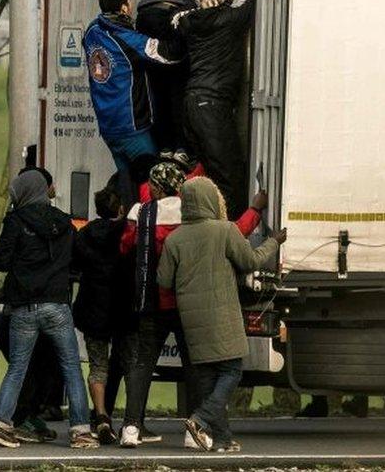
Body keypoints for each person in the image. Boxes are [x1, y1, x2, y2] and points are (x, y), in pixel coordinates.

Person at [118, 161, 266, 448]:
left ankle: (131, 427)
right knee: (197, 369)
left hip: (152, 302)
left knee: (142, 365)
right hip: (186, 306)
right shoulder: (190, 215)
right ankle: (194, 431)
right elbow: (234, 232)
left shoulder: (141, 212)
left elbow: (126, 246)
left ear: (155, 187)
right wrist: (255, 211)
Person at [157, 177, 285, 452]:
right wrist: (273, 242)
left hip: (191, 319)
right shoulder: (224, 231)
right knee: (231, 371)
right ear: (210, 200)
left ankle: (223, 439)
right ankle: (200, 419)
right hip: (222, 312)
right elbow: (250, 261)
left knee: (206, 377)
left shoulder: (174, 239)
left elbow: (164, 280)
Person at [0, 171, 98, 449]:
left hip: (23, 306)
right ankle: (81, 431)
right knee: (72, 367)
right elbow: (79, 260)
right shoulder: (65, 222)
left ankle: (1, 424)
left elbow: (0, 261)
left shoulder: (15, 221)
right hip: (58, 305)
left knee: (17, 368)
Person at [136, 0, 254, 158]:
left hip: (144, 16)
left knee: (158, 85)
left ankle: (164, 146)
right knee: (179, 82)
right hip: (169, 15)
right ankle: (182, 147)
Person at [172, 0, 255, 220]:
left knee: (206, 171)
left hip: (193, 103)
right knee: (229, 175)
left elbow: (179, 16)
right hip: (212, 105)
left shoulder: (188, 21)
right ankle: (232, 232)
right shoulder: (229, 20)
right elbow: (261, 0)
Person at [83, 0, 182, 172]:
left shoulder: (92, 31)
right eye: (129, 0)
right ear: (123, 7)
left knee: (127, 188)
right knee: (149, 184)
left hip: (108, 127)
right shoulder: (129, 41)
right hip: (132, 128)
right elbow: (170, 55)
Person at [71, 186, 132, 445]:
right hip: (122, 310)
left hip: (92, 309)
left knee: (98, 366)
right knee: (130, 364)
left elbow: (75, 267)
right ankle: (133, 421)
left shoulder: (84, 234)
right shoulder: (126, 234)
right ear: (120, 208)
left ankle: (101, 416)